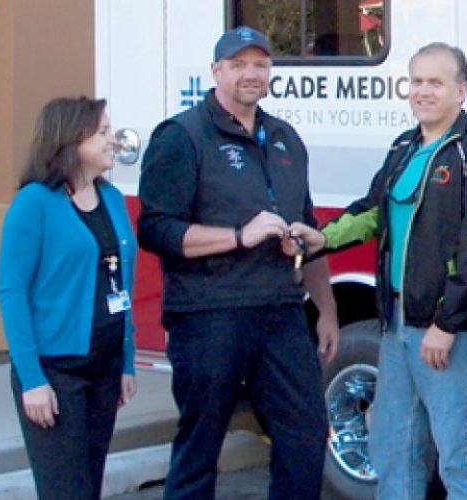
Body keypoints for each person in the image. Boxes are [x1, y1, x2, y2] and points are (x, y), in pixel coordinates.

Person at [135, 26, 337, 499]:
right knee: (201, 446)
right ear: (216, 72)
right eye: (239, 64)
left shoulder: (285, 137)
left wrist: (326, 309)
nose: (252, 74)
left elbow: (307, 226)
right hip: (209, 313)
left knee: (305, 434)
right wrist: (238, 237)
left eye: (261, 64)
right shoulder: (182, 136)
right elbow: (156, 229)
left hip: (282, 311)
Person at [305, 42, 467, 499]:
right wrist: (323, 237)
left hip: (447, 332)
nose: (423, 91)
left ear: (461, 90)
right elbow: (373, 212)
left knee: (463, 461)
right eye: (416, 81)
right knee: (395, 449)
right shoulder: (405, 147)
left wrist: (446, 323)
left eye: (435, 82)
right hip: (397, 327)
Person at [0, 96, 138, 499]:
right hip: (56, 371)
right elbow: (11, 292)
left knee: (89, 486)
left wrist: (126, 362)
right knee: (65, 490)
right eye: (104, 133)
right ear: (72, 141)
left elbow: (120, 282)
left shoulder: (111, 198)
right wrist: (32, 379)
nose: (114, 141)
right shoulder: (34, 203)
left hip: (105, 366)